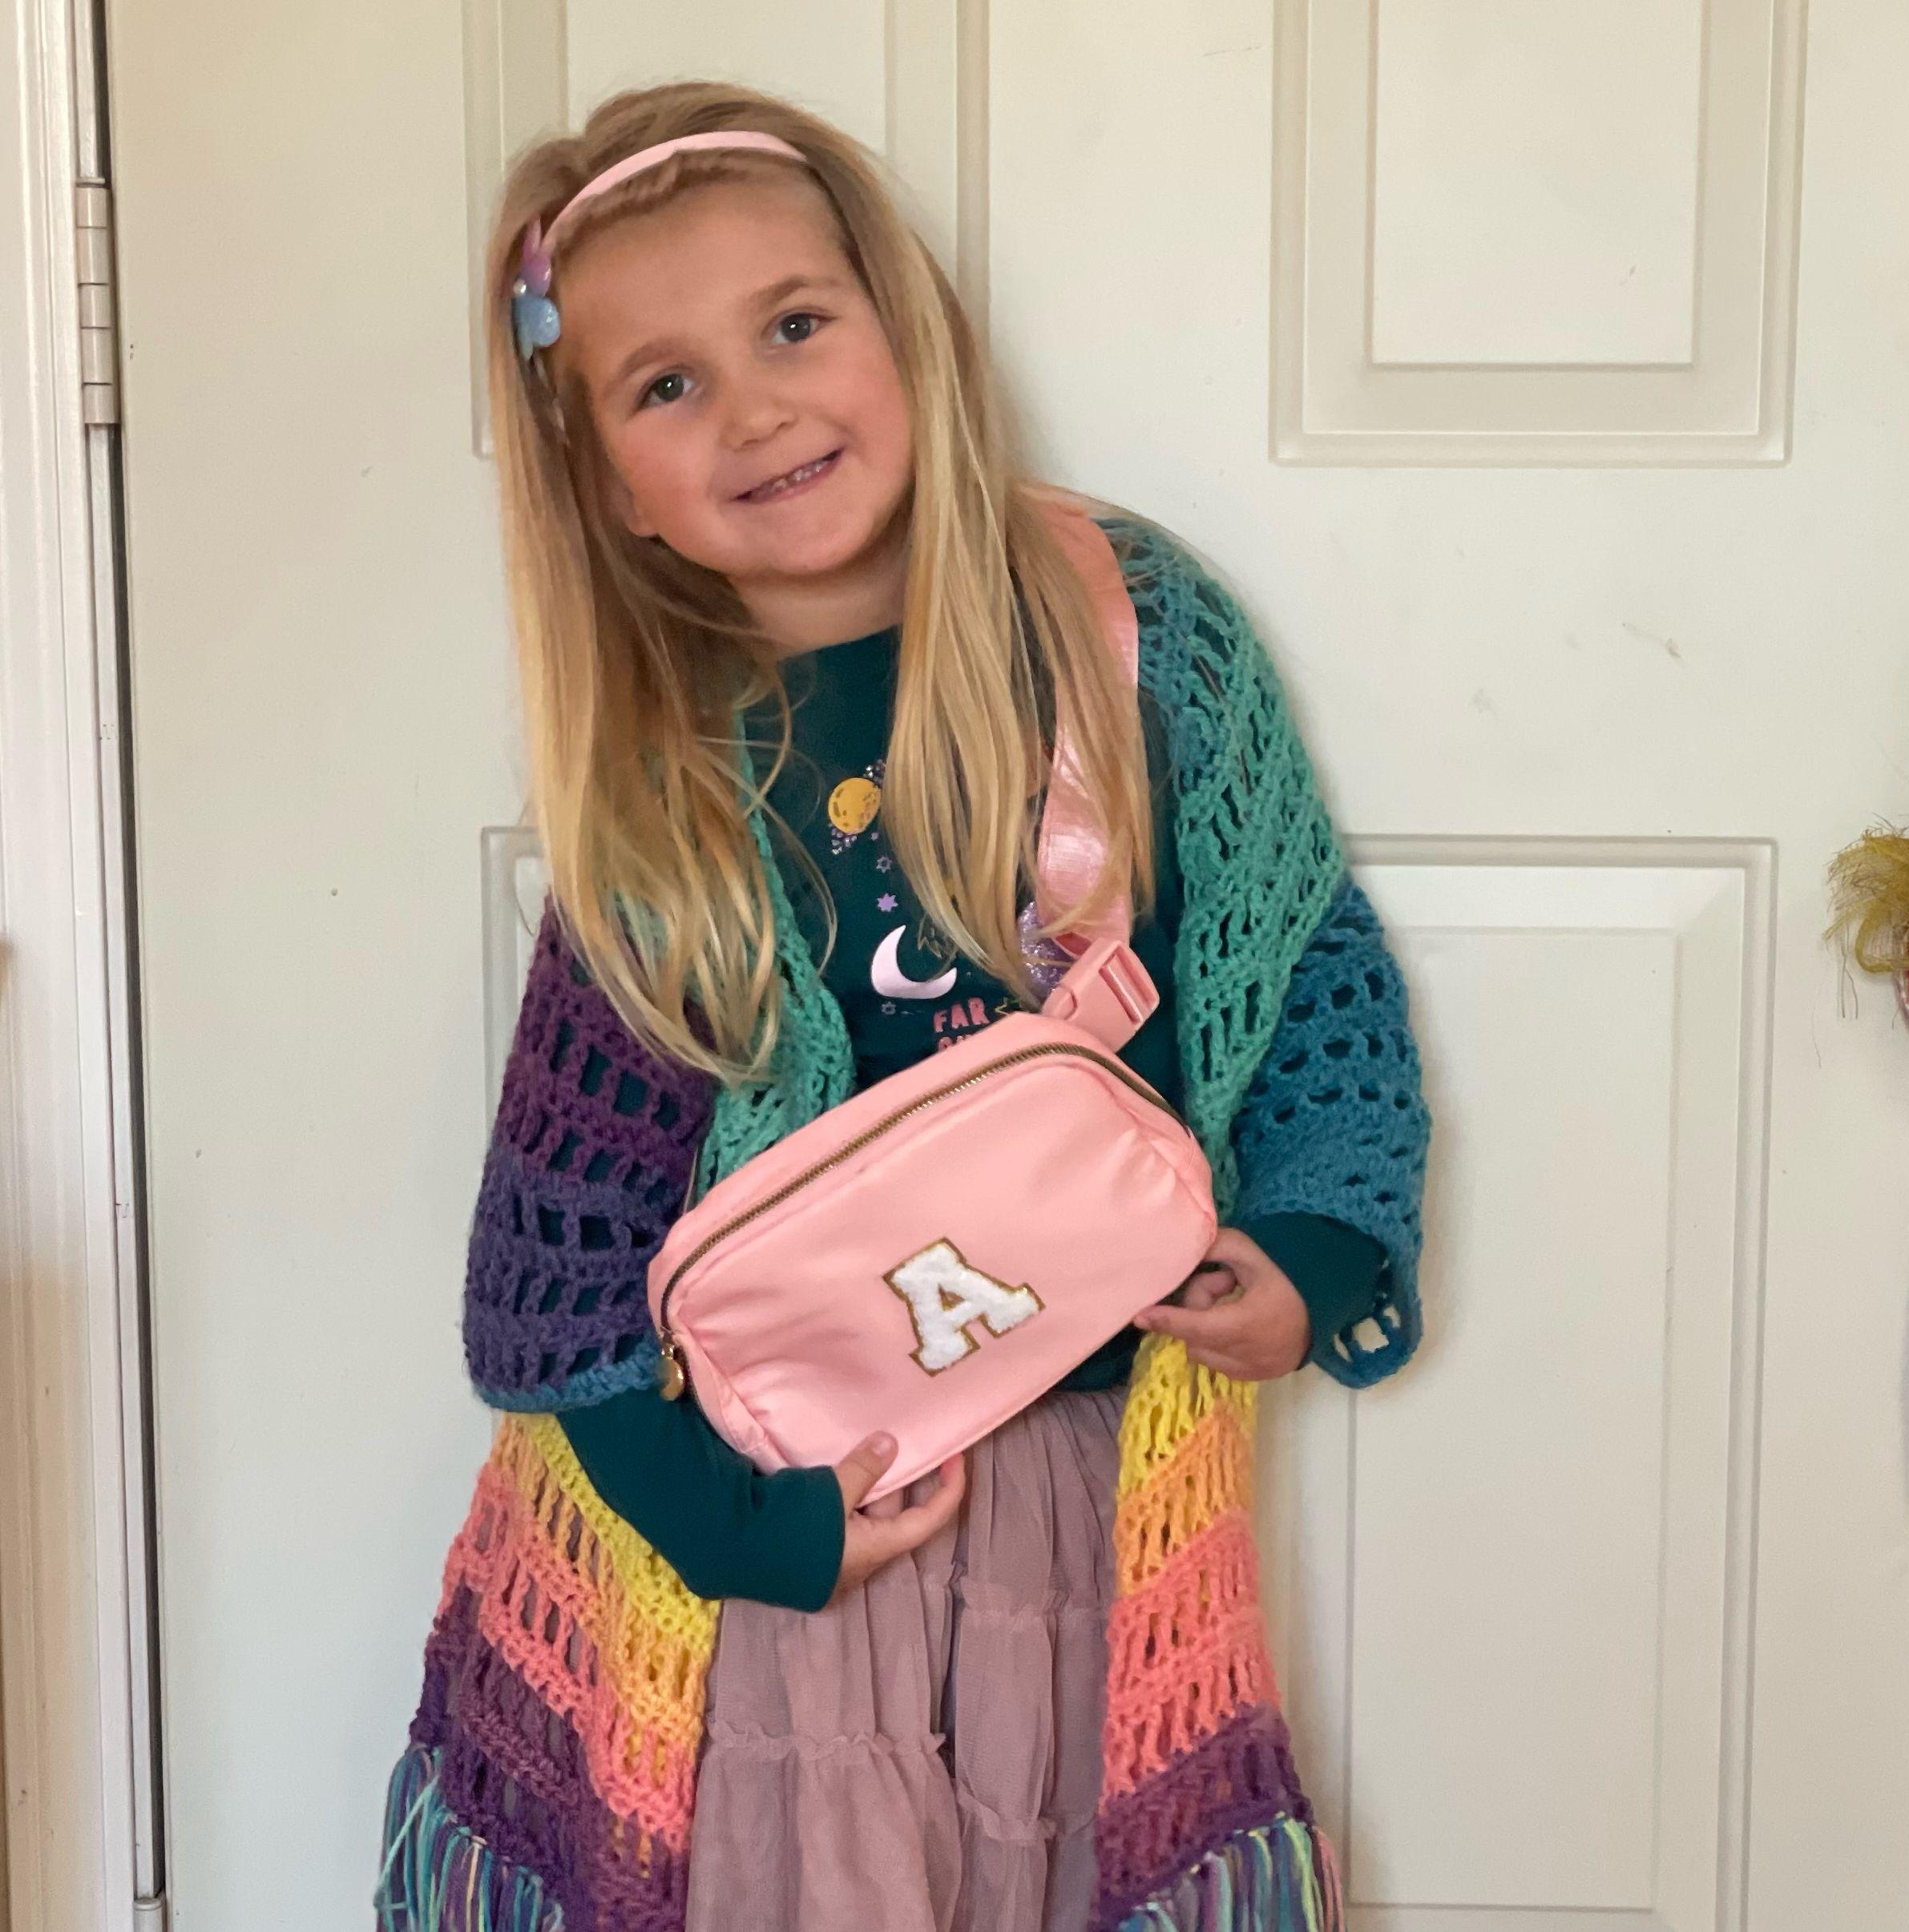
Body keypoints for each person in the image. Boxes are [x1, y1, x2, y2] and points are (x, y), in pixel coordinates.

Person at [377, 79, 1431, 1932]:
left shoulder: (1134, 632)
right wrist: (738, 1529)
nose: (757, 408)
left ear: (908, 326)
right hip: (810, 1531)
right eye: (667, 384)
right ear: (607, 484)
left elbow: (1305, 960)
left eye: (795, 324)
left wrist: (1319, 1246)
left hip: (1086, 1505)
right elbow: (552, 1273)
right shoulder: (666, 794)